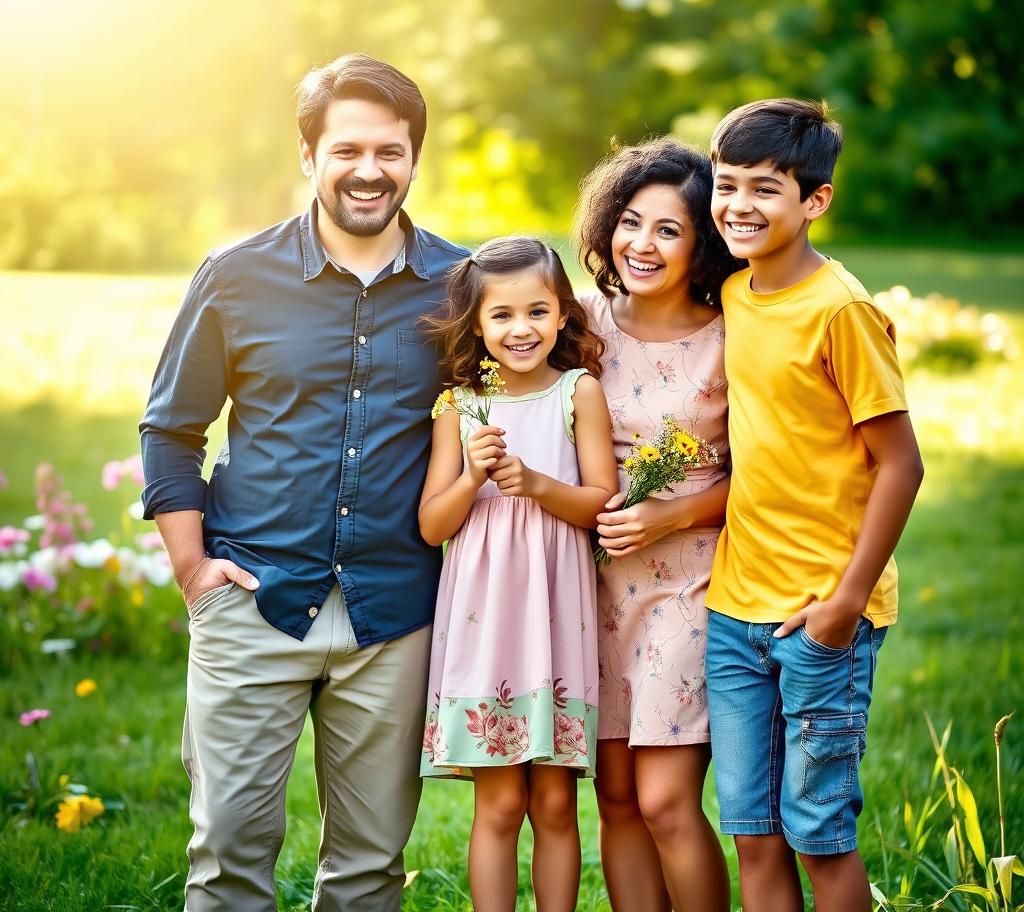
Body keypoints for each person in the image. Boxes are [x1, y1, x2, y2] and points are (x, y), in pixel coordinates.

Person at [139, 53, 469, 911]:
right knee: (227, 857)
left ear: (414, 158)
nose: (369, 171)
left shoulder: (462, 284)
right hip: (253, 597)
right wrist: (193, 574)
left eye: (390, 152)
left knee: (369, 869)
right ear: (309, 155)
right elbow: (172, 429)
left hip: (394, 614)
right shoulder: (236, 275)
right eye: (348, 150)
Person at [704, 99, 925, 912]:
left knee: (818, 833)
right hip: (734, 611)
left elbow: (902, 465)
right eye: (727, 186)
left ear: (815, 201)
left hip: (822, 617)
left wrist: (846, 603)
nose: (740, 206)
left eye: (766, 188)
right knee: (753, 833)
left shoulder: (843, 310)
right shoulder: (732, 294)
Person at [417, 236, 618, 912]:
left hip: (555, 620)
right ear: (476, 325)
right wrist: (474, 475)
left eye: (537, 311)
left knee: (556, 802)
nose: (520, 328)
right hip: (485, 622)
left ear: (563, 314)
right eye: (501, 315)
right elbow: (432, 525)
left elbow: (600, 502)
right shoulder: (460, 406)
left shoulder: (577, 392)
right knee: (499, 803)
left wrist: (534, 483)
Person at [571, 137, 742, 911]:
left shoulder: (729, 338)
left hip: (691, 584)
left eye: (668, 230)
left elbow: (769, 477)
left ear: (701, 241)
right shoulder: (580, 323)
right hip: (590, 582)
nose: (642, 244)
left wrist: (672, 511)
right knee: (614, 800)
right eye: (631, 222)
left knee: (667, 800)